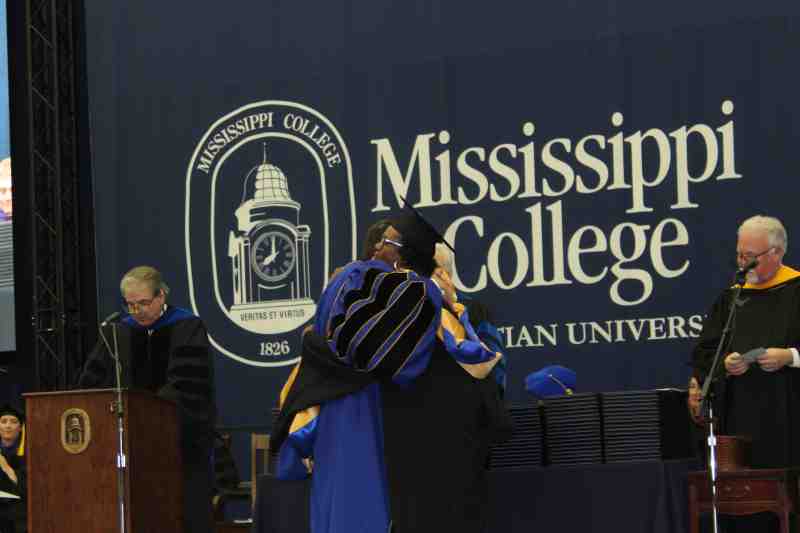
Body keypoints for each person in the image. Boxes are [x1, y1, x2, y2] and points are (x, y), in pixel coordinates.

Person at [273, 211, 502, 533]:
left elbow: (328, 338)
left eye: (391, 241)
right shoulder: (386, 285)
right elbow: (412, 360)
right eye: (383, 241)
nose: (383, 247)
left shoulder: (352, 279)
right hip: (360, 405)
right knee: (361, 498)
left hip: (339, 403)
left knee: (341, 498)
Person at [77, 265, 216, 533]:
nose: (136, 311)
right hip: (128, 445)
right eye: (130, 305)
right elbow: (91, 382)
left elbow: (189, 384)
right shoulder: (117, 331)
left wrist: (146, 413)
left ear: (161, 296)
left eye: (143, 303)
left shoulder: (187, 327)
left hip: (179, 444)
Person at [692, 215, 800, 531]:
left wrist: (790, 356)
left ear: (777, 253)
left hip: (790, 415)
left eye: (750, 258)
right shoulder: (731, 298)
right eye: (740, 255)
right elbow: (704, 351)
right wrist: (725, 362)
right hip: (741, 419)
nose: (743, 264)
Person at [0, 403, 25, 533]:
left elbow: (25, 488)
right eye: (3, 421)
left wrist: (6, 467)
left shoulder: (28, 453)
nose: (8, 426)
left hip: (18, 515)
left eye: (13, 422)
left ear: (20, 428)